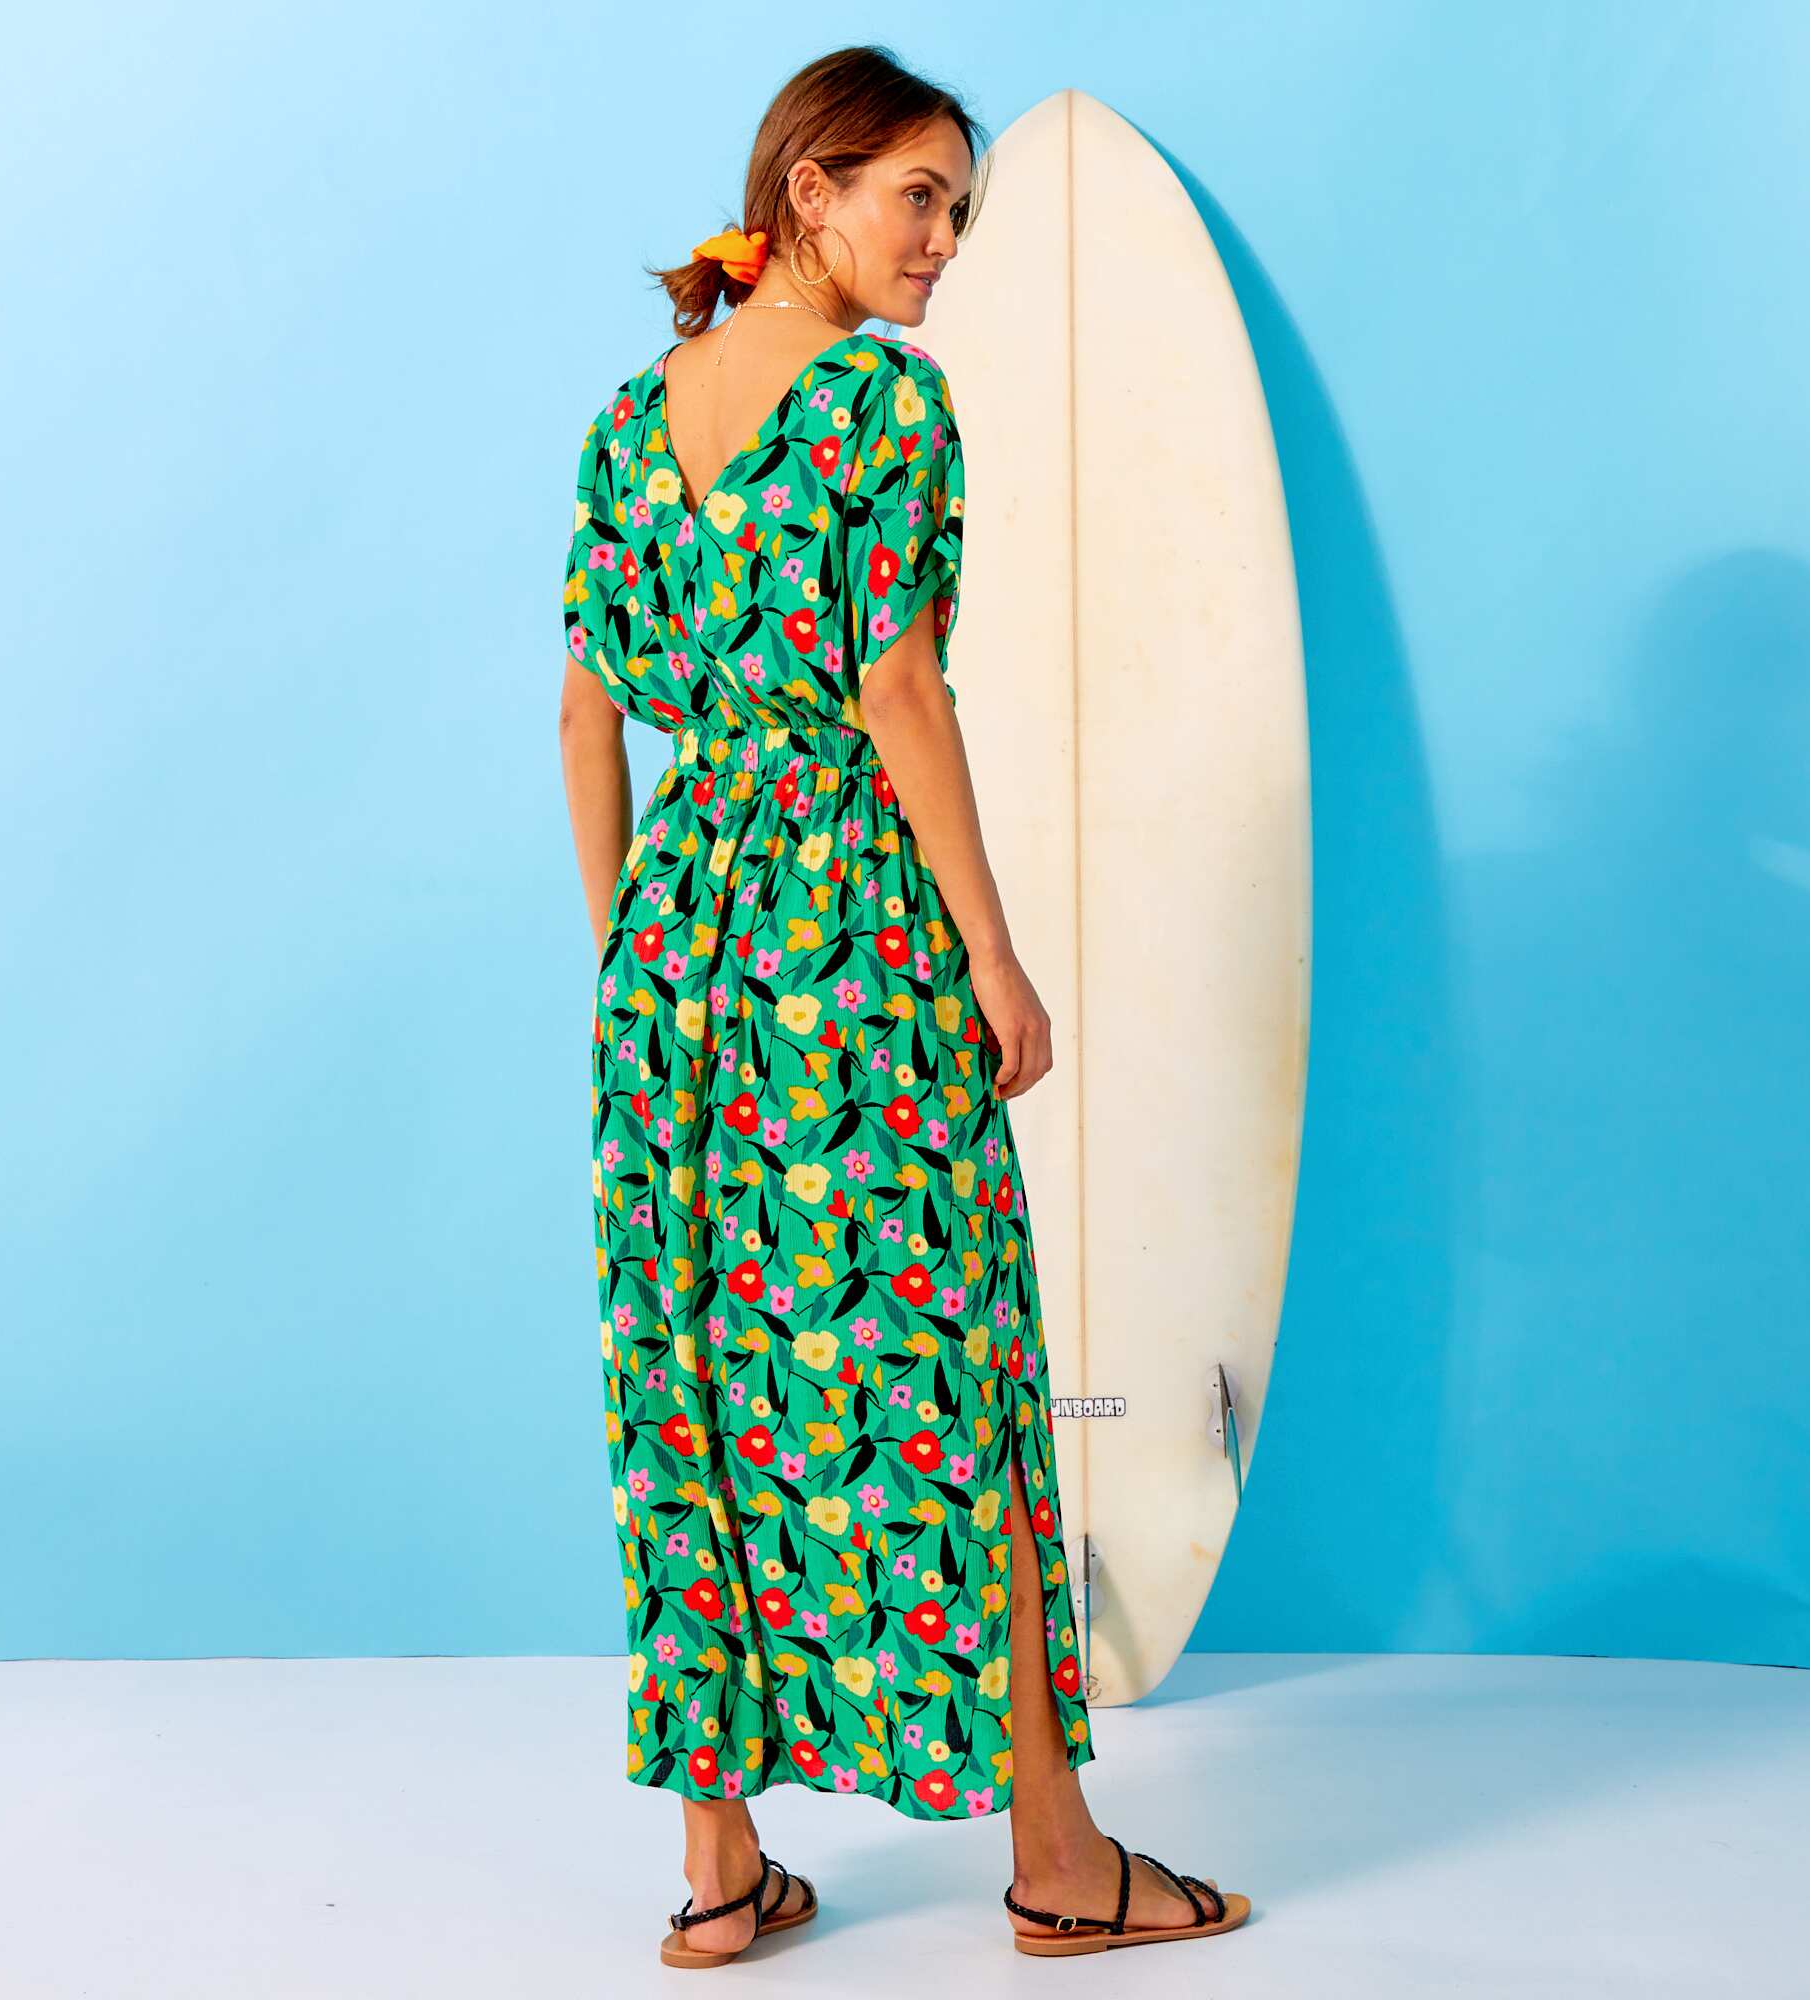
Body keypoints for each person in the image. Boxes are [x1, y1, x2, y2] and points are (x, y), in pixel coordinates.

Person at [558, 43, 1250, 1968]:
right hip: (848, 943)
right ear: (812, 192)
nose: (945, 238)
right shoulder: (881, 398)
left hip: (676, 956)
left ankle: (720, 1877)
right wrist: (993, 957)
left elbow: (587, 717)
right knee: (945, 1376)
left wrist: (632, 962)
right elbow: (896, 694)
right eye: (921, 196)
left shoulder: (630, 419)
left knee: (694, 1386)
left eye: (959, 206)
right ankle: (1061, 1861)